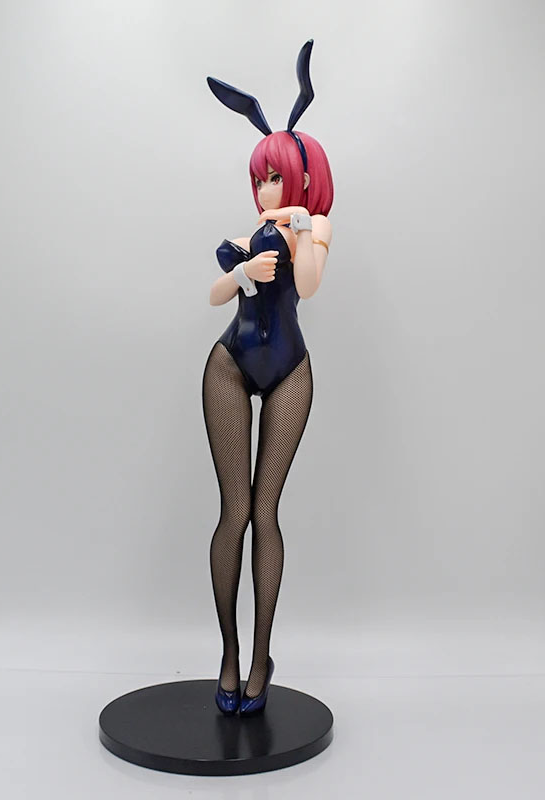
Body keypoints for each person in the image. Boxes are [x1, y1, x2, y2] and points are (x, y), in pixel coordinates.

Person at [202, 40, 334, 716]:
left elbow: (307, 286)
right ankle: (228, 654)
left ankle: (260, 660)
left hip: (288, 368)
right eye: (259, 180)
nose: (264, 191)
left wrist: (303, 228)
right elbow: (215, 298)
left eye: (274, 178)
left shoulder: (314, 225)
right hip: (231, 363)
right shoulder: (252, 230)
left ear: (302, 177)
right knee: (234, 512)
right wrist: (242, 272)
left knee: (265, 512)